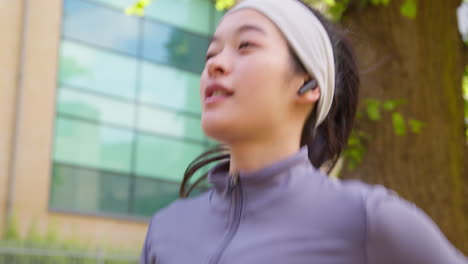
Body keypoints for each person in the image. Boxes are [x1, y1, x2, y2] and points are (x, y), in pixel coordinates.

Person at [140, 0, 468, 263]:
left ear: (308, 84)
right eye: (211, 53)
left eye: (245, 46)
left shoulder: (368, 218)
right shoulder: (167, 227)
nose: (215, 64)